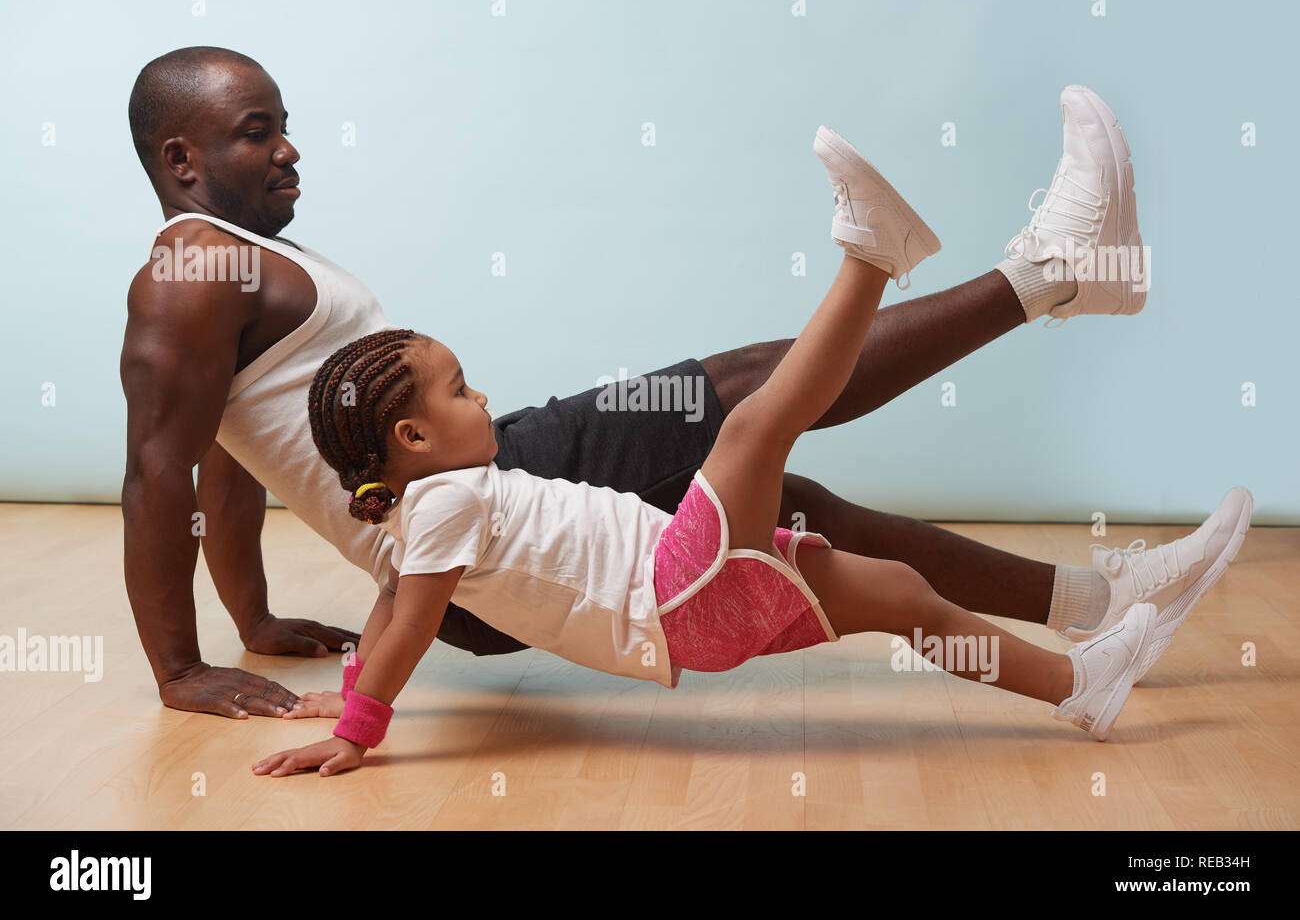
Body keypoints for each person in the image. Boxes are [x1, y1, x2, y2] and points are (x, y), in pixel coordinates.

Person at [121, 44, 1251, 721]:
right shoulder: (190, 272)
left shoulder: (230, 264)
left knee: (809, 520)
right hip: (481, 509)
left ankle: (1095, 607)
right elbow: (156, 473)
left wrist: (256, 614)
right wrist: (181, 665)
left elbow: (226, 460)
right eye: (257, 132)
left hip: (475, 529)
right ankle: (1054, 271)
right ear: (180, 160)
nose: (289, 151)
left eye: (285, 128)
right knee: (738, 392)